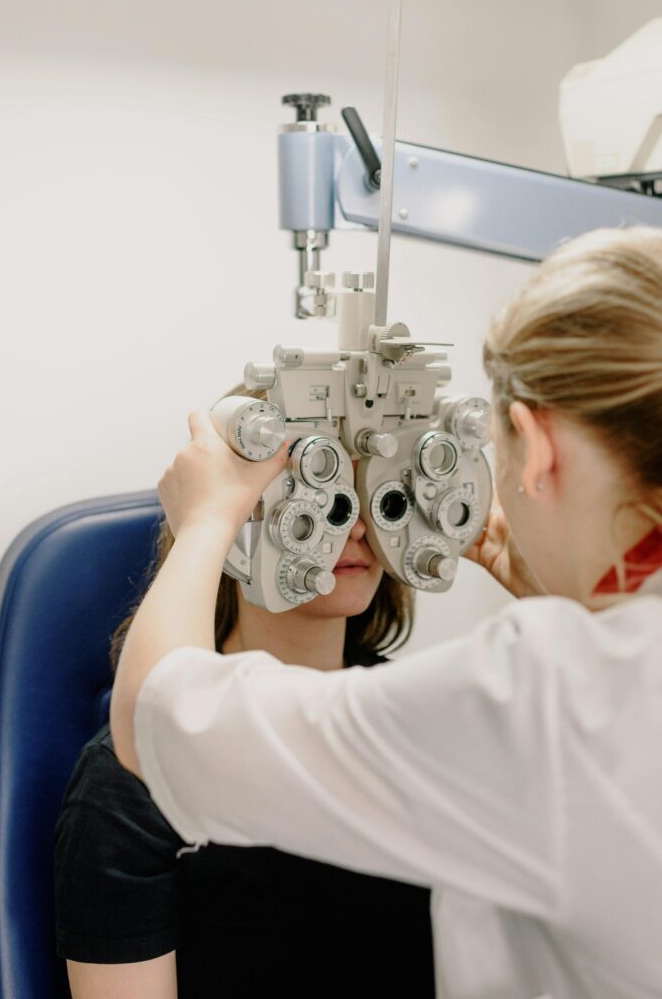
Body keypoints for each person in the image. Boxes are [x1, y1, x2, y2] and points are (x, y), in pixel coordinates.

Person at [110, 226, 662, 998]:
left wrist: (206, 522)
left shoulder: (533, 698)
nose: (355, 525)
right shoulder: (558, 689)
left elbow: (157, 719)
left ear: (534, 449)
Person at [54, 391, 435, 999]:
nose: (357, 525)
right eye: (317, 495)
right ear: (234, 519)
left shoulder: (429, 720)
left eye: (374, 492)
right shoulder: (128, 783)